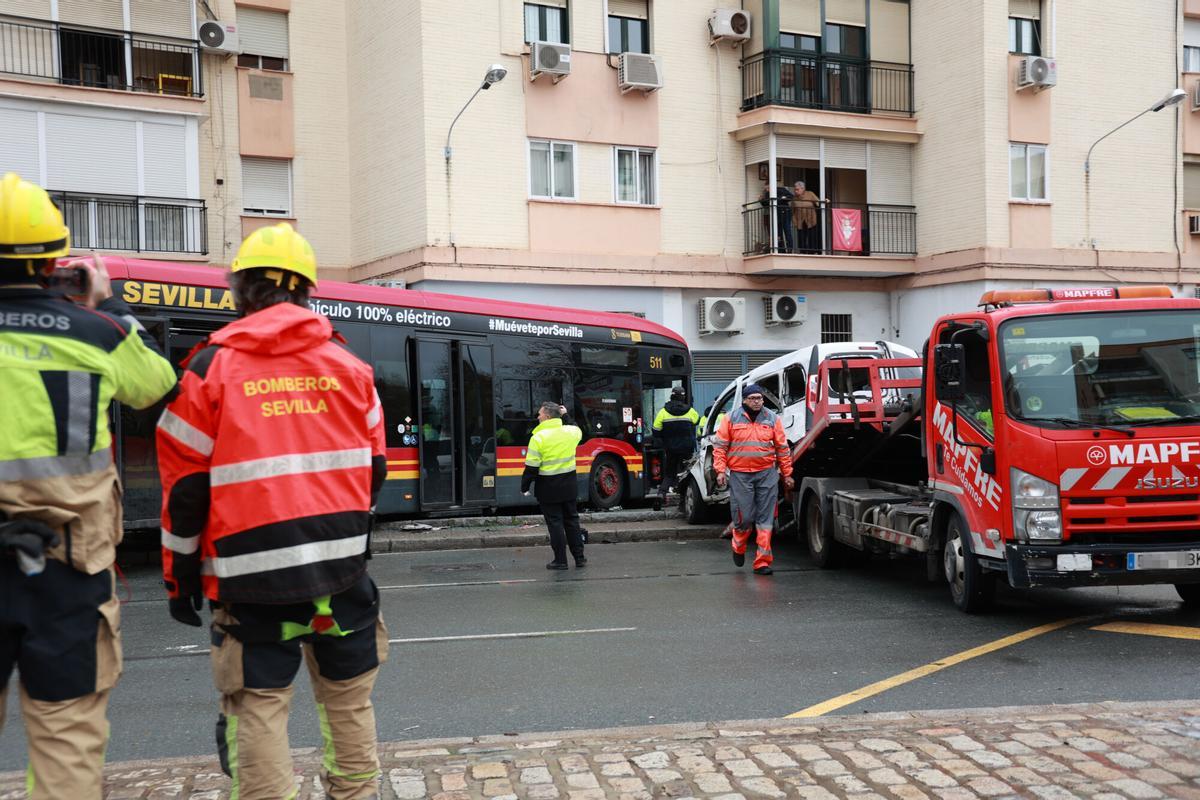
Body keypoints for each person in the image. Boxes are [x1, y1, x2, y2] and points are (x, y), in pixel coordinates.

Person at [156, 222, 389, 800]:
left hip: (250, 578)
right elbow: (376, 470)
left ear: (240, 289)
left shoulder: (209, 370)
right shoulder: (351, 368)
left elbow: (185, 492)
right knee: (348, 700)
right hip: (341, 573)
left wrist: (180, 579)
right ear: (307, 290)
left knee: (257, 705)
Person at [0, 172, 177, 798]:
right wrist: (111, 307)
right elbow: (159, 384)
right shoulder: (97, 333)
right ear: (54, 261)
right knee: (66, 745)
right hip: (67, 571)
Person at [712, 383, 794, 575]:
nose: (757, 402)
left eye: (760, 398)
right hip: (740, 475)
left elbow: (782, 448)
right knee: (744, 517)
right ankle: (738, 545)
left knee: (766, 519)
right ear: (744, 400)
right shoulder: (730, 418)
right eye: (753, 398)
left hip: (766, 474)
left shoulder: (772, 418)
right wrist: (720, 471)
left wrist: (787, 474)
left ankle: (762, 562)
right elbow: (720, 447)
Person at [522, 400, 585, 569]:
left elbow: (531, 467)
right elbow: (576, 428)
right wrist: (566, 415)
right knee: (572, 521)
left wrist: (524, 486)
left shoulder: (538, 438)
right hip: (569, 487)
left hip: (548, 489)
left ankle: (561, 561)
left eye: (540, 414)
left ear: (548, 417)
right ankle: (579, 558)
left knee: (555, 524)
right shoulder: (571, 432)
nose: (538, 416)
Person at [652, 387, 699, 496]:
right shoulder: (690, 411)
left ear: (671, 396)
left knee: (669, 473)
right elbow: (697, 421)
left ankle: (661, 493)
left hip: (671, 448)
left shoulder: (663, 412)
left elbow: (655, 430)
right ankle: (683, 496)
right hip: (687, 449)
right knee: (686, 473)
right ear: (683, 397)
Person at [791, 180, 822, 253]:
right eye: (795, 189)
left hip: (811, 219)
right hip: (799, 220)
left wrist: (825, 201)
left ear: (803, 189)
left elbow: (818, 203)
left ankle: (812, 252)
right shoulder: (794, 198)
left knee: (812, 237)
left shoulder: (810, 194)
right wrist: (794, 220)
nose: (795, 191)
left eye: (797, 189)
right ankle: (803, 252)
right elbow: (792, 210)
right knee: (801, 238)